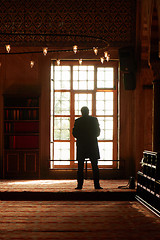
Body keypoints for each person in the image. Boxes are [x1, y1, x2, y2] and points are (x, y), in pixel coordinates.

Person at [72, 106, 103, 190]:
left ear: (81, 112)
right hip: (92, 145)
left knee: (80, 167)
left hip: (82, 145)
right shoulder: (94, 120)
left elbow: (74, 133)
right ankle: (97, 185)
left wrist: (81, 137)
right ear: (88, 112)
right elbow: (98, 133)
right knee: (95, 167)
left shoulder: (78, 121)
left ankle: (79, 185)